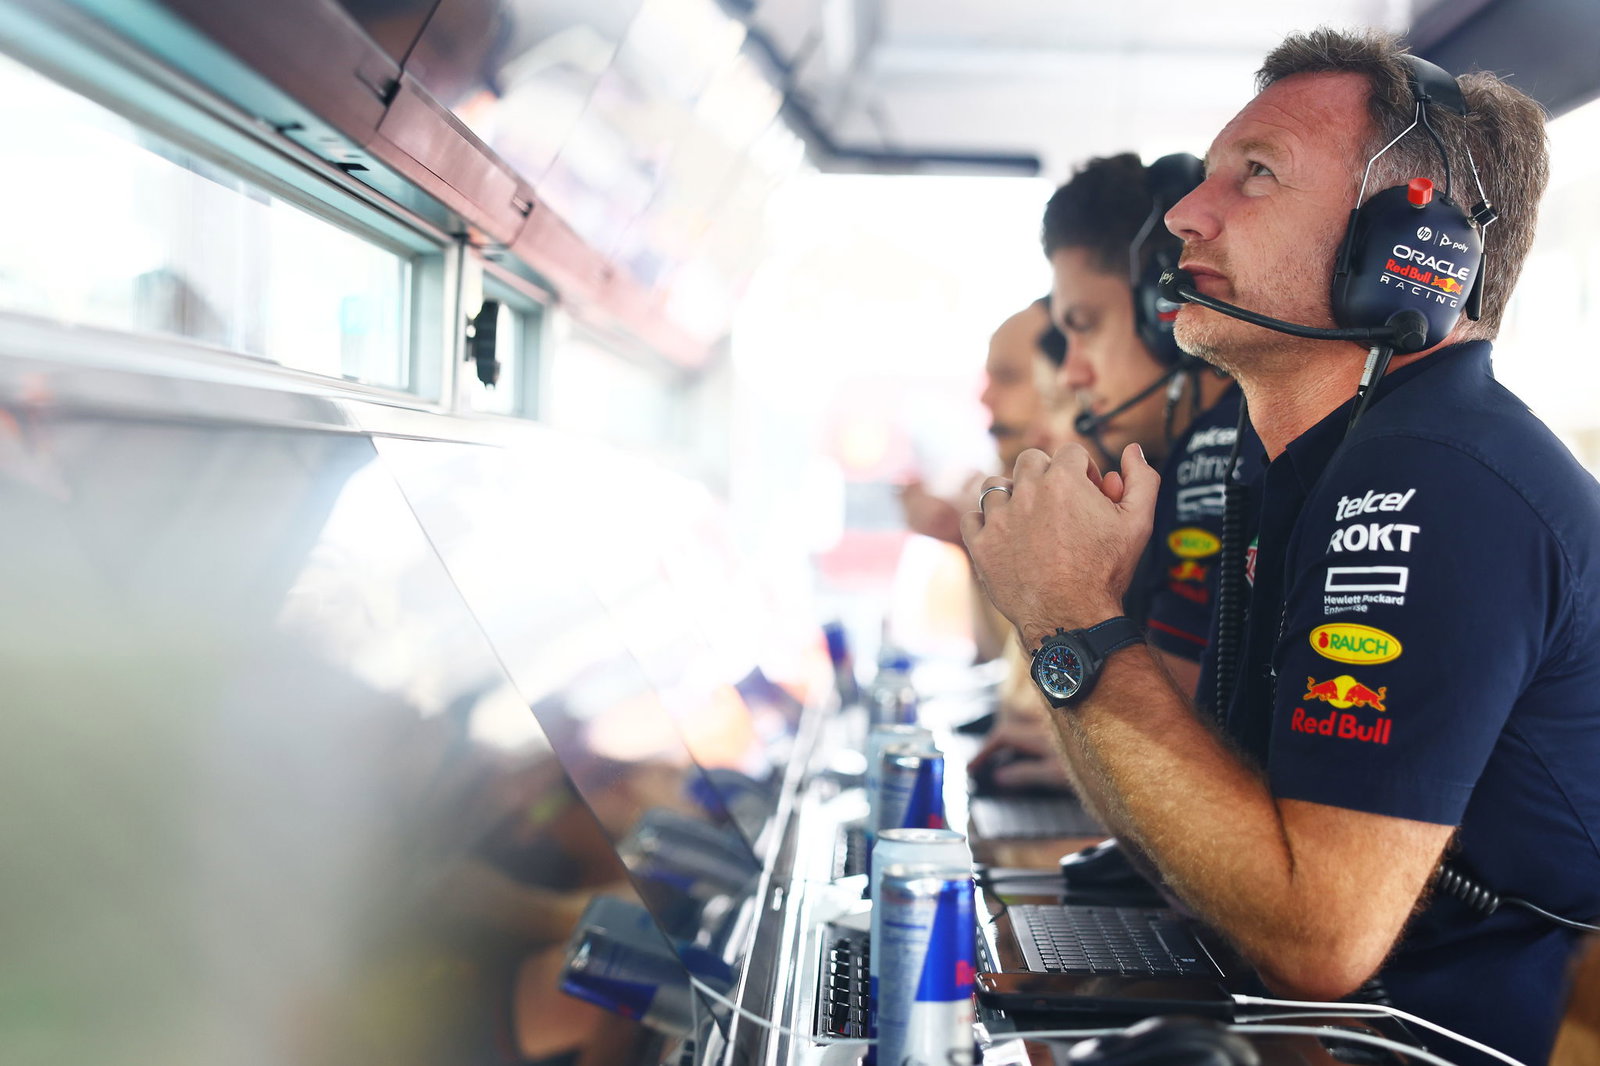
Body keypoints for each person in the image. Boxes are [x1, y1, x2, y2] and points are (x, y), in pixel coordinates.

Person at [963, 28, 1599, 1066]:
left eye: (1254, 176)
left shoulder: (1437, 478)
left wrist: (1069, 614)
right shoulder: (1319, 463)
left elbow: (1319, 940)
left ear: (1407, 249)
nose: (1182, 216)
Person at [972, 154, 1238, 791]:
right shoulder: (1200, 452)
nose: (1072, 374)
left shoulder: (1216, 449)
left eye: (1084, 328)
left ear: (1166, 307)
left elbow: (1163, 750)